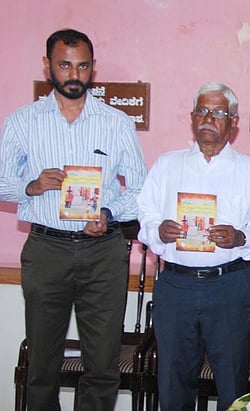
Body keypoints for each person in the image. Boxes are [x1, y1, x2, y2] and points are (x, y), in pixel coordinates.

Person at [0, 29, 147, 410]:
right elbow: (1, 181)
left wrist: (109, 212)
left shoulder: (116, 122)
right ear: (48, 66)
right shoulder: (21, 122)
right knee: (42, 365)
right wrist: (31, 186)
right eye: (65, 65)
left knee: (102, 365)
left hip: (103, 253)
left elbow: (139, 189)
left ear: (92, 69)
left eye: (82, 66)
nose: (74, 75)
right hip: (47, 250)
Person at [137, 82, 250, 410]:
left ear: (233, 122)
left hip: (228, 285)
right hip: (176, 284)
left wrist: (240, 237)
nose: (207, 119)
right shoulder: (167, 164)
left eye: (217, 113)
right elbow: (144, 216)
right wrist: (159, 229)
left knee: (232, 382)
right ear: (191, 117)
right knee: (172, 382)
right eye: (201, 111)